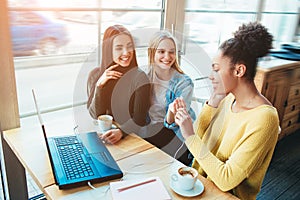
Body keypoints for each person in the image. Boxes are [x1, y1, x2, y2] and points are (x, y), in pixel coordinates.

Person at [173, 22, 280, 199]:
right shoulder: (228, 98)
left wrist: (189, 135)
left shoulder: (265, 119)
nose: (210, 75)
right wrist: (213, 101)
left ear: (239, 70)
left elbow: (226, 180)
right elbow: (199, 138)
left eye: (216, 69)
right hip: (198, 186)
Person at [87, 25, 150, 144]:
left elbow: (139, 119)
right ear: (108, 50)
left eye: (129, 46)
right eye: (119, 48)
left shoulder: (140, 77)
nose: (126, 53)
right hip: (105, 135)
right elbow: (95, 115)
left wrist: (121, 132)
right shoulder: (95, 75)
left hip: (130, 136)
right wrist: (99, 86)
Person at [144, 30, 196, 166]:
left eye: (171, 52)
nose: (167, 57)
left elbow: (175, 123)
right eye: (161, 51)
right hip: (150, 133)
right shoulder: (143, 77)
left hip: (175, 137)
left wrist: (171, 113)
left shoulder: (184, 83)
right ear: (152, 53)